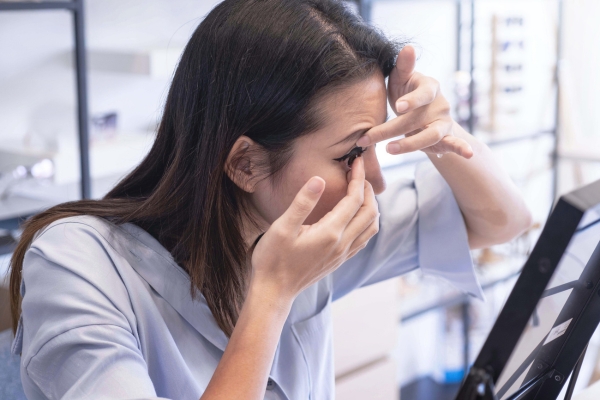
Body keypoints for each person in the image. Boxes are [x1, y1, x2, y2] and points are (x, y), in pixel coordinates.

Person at [7, 0, 532, 399]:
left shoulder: (297, 223)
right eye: (352, 154)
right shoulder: (77, 265)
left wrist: (441, 131)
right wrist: (274, 293)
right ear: (245, 164)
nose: (374, 183)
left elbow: (502, 222)